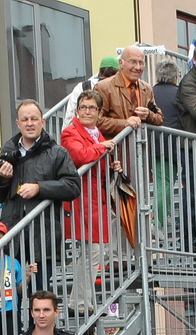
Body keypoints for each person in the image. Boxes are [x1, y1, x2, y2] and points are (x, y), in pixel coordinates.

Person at [59, 89, 122, 311]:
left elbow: (97, 160)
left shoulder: (97, 134)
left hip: (96, 199)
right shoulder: (70, 132)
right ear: (76, 110)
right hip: (83, 200)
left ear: (98, 112)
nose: (87, 112)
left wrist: (112, 166)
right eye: (83, 107)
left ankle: (82, 300)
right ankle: (78, 302)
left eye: (92, 108)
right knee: (92, 252)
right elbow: (80, 155)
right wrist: (102, 148)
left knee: (96, 252)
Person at [0, 99, 82, 231]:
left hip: (44, 232)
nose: (30, 123)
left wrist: (40, 188)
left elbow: (73, 186)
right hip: (12, 230)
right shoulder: (7, 152)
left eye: (34, 119)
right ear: (18, 124)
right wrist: (3, 179)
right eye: (24, 119)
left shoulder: (58, 152)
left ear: (42, 122)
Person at [94, 45, 165, 136]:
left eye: (141, 63)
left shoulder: (146, 88)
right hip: (116, 148)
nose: (138, 67)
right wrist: (125, 124)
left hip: (141, 148)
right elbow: (96, 121)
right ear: (121, 63)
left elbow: (159, 118)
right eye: (133, 62)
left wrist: (148, 115)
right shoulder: (103, 87)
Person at [153, 62, 183, 130]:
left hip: (152, 136)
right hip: (176, 136)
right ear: (175, 77)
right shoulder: (180, 93)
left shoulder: (149, 92)